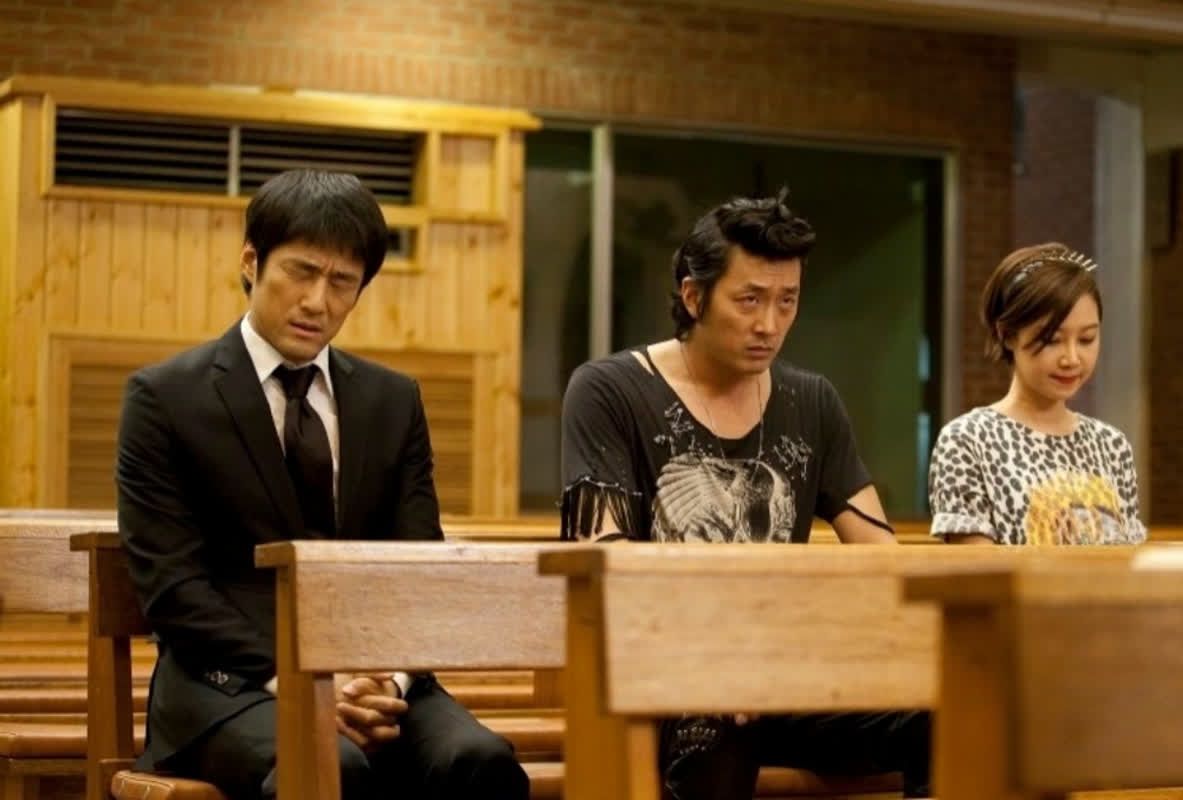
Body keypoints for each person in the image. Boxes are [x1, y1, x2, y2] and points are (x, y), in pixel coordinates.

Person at [116, 169, 529, 800]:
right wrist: (303, 684)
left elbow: (419, 566)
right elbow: (172, 588)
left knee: (481, 761)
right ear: (251, 261)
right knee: (330, 764)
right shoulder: (165, 398)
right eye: (301, 272)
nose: (318, 301)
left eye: (342, 282)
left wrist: (386, 679)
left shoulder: (392, 401)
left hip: (371, 674)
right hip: (229, 684)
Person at [558, 190, 929, 799]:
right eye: (749, 300)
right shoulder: (608, 391)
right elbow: (606, 565)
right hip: (665, 674)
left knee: (944, 713)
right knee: (715, 733)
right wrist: (720, 657)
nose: (769, 325)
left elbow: (880, 559)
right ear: (693, 296)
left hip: (786, 673)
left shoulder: (812, 402)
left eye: (788, 301)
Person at [928, 242, 1147, 546]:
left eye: (1086, 339)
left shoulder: (1112, 445)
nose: (1072, 358)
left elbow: (1129, 560)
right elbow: (976, 568)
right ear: (1007, 335)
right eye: (1052, 340)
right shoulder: (968, 441)